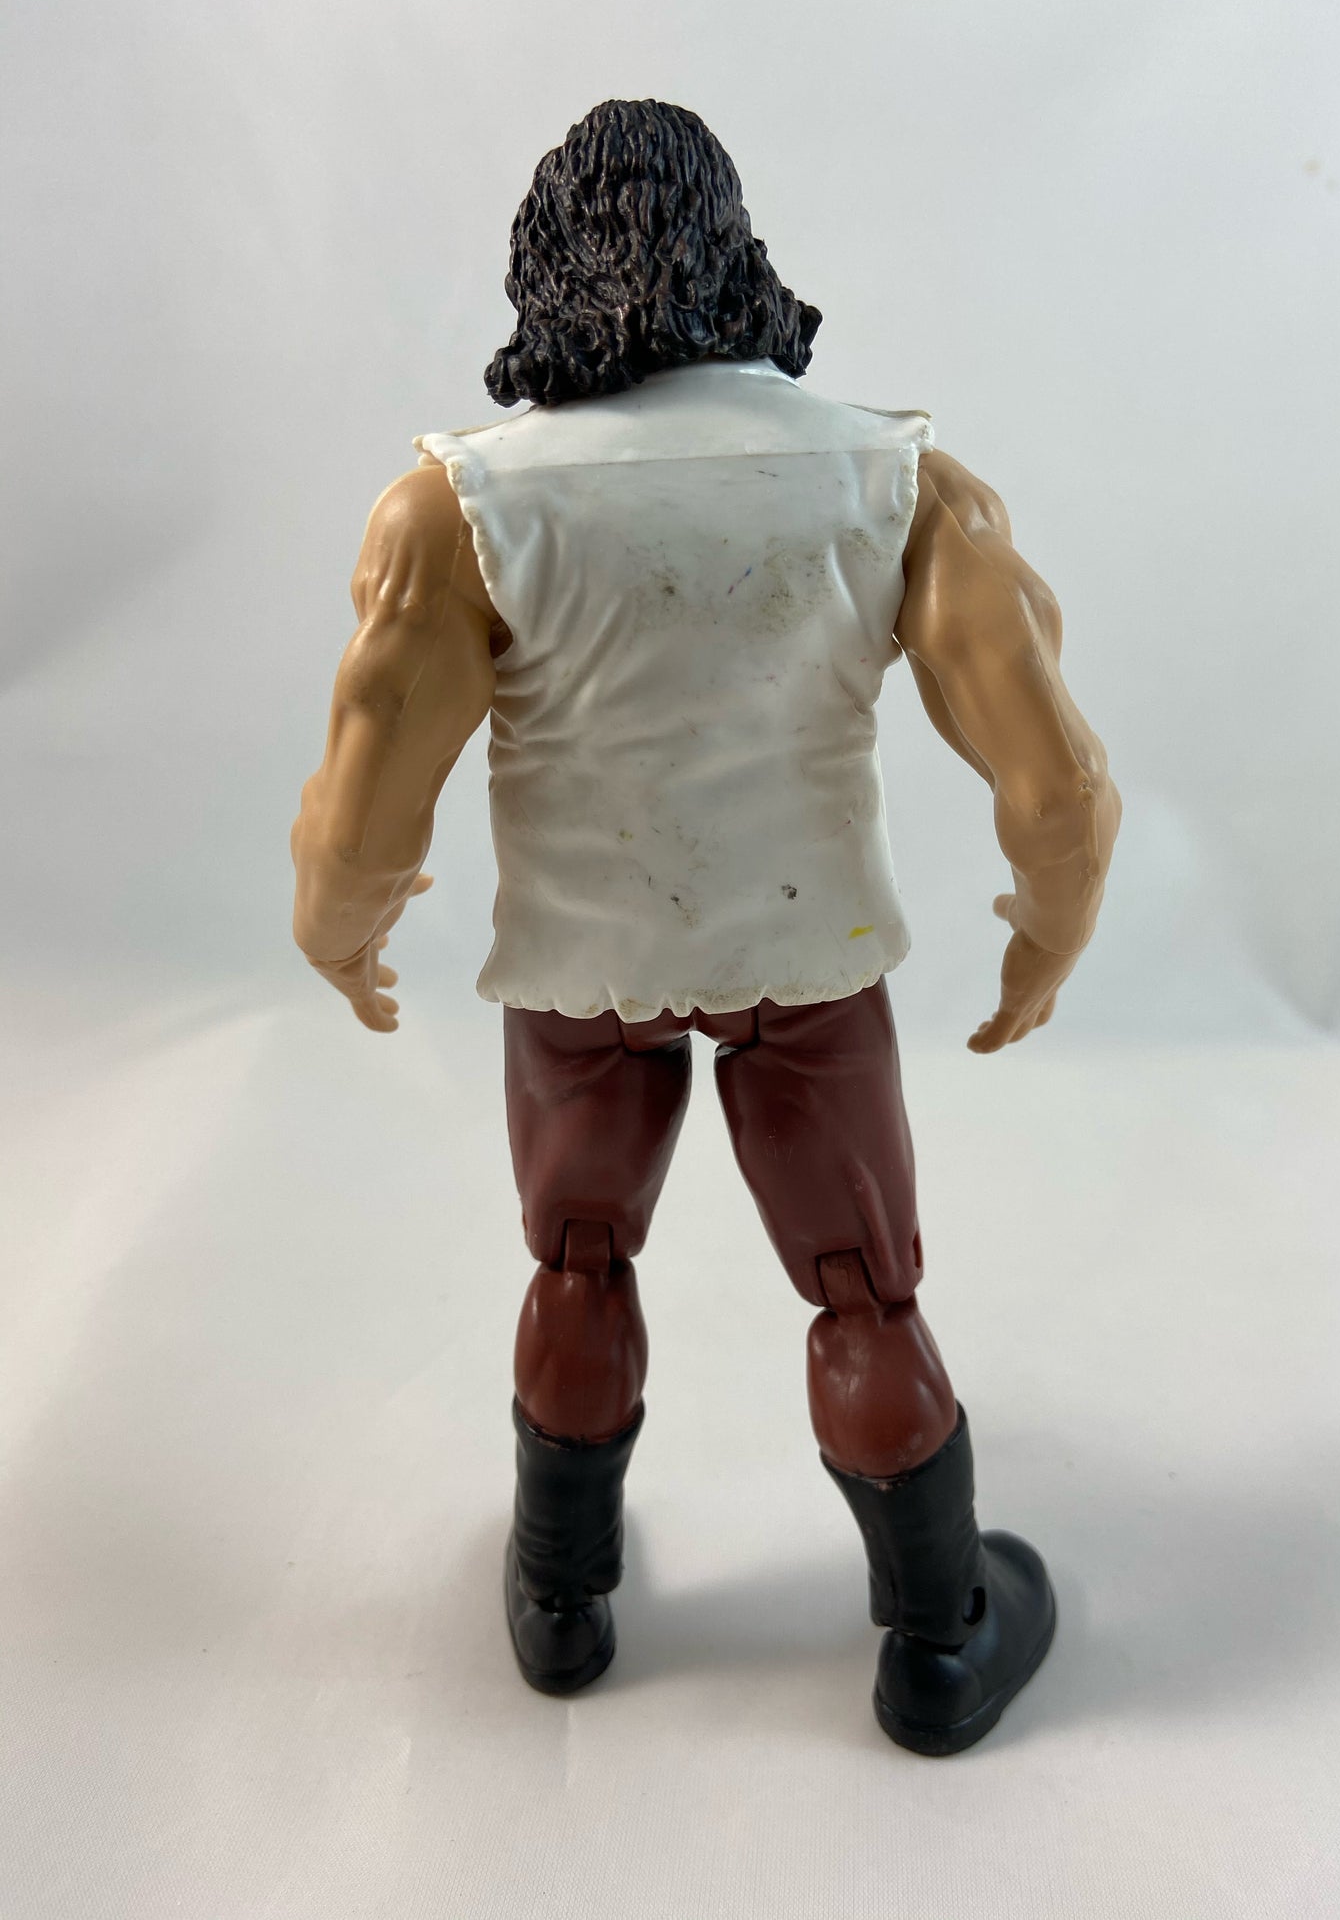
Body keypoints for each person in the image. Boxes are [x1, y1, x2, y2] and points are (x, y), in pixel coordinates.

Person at [290, 98, 1121, 1755]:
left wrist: (344, 932)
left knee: (576, 1260)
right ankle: (939, 1636)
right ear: (735, 252)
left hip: (578, 965)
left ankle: (561, 1600)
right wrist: (1048, 927)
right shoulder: (895, 479)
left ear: (545, 266)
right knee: (860, 1296)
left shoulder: (459, 507)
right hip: (804, 961)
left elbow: (368, 800)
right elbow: (1054, 786)